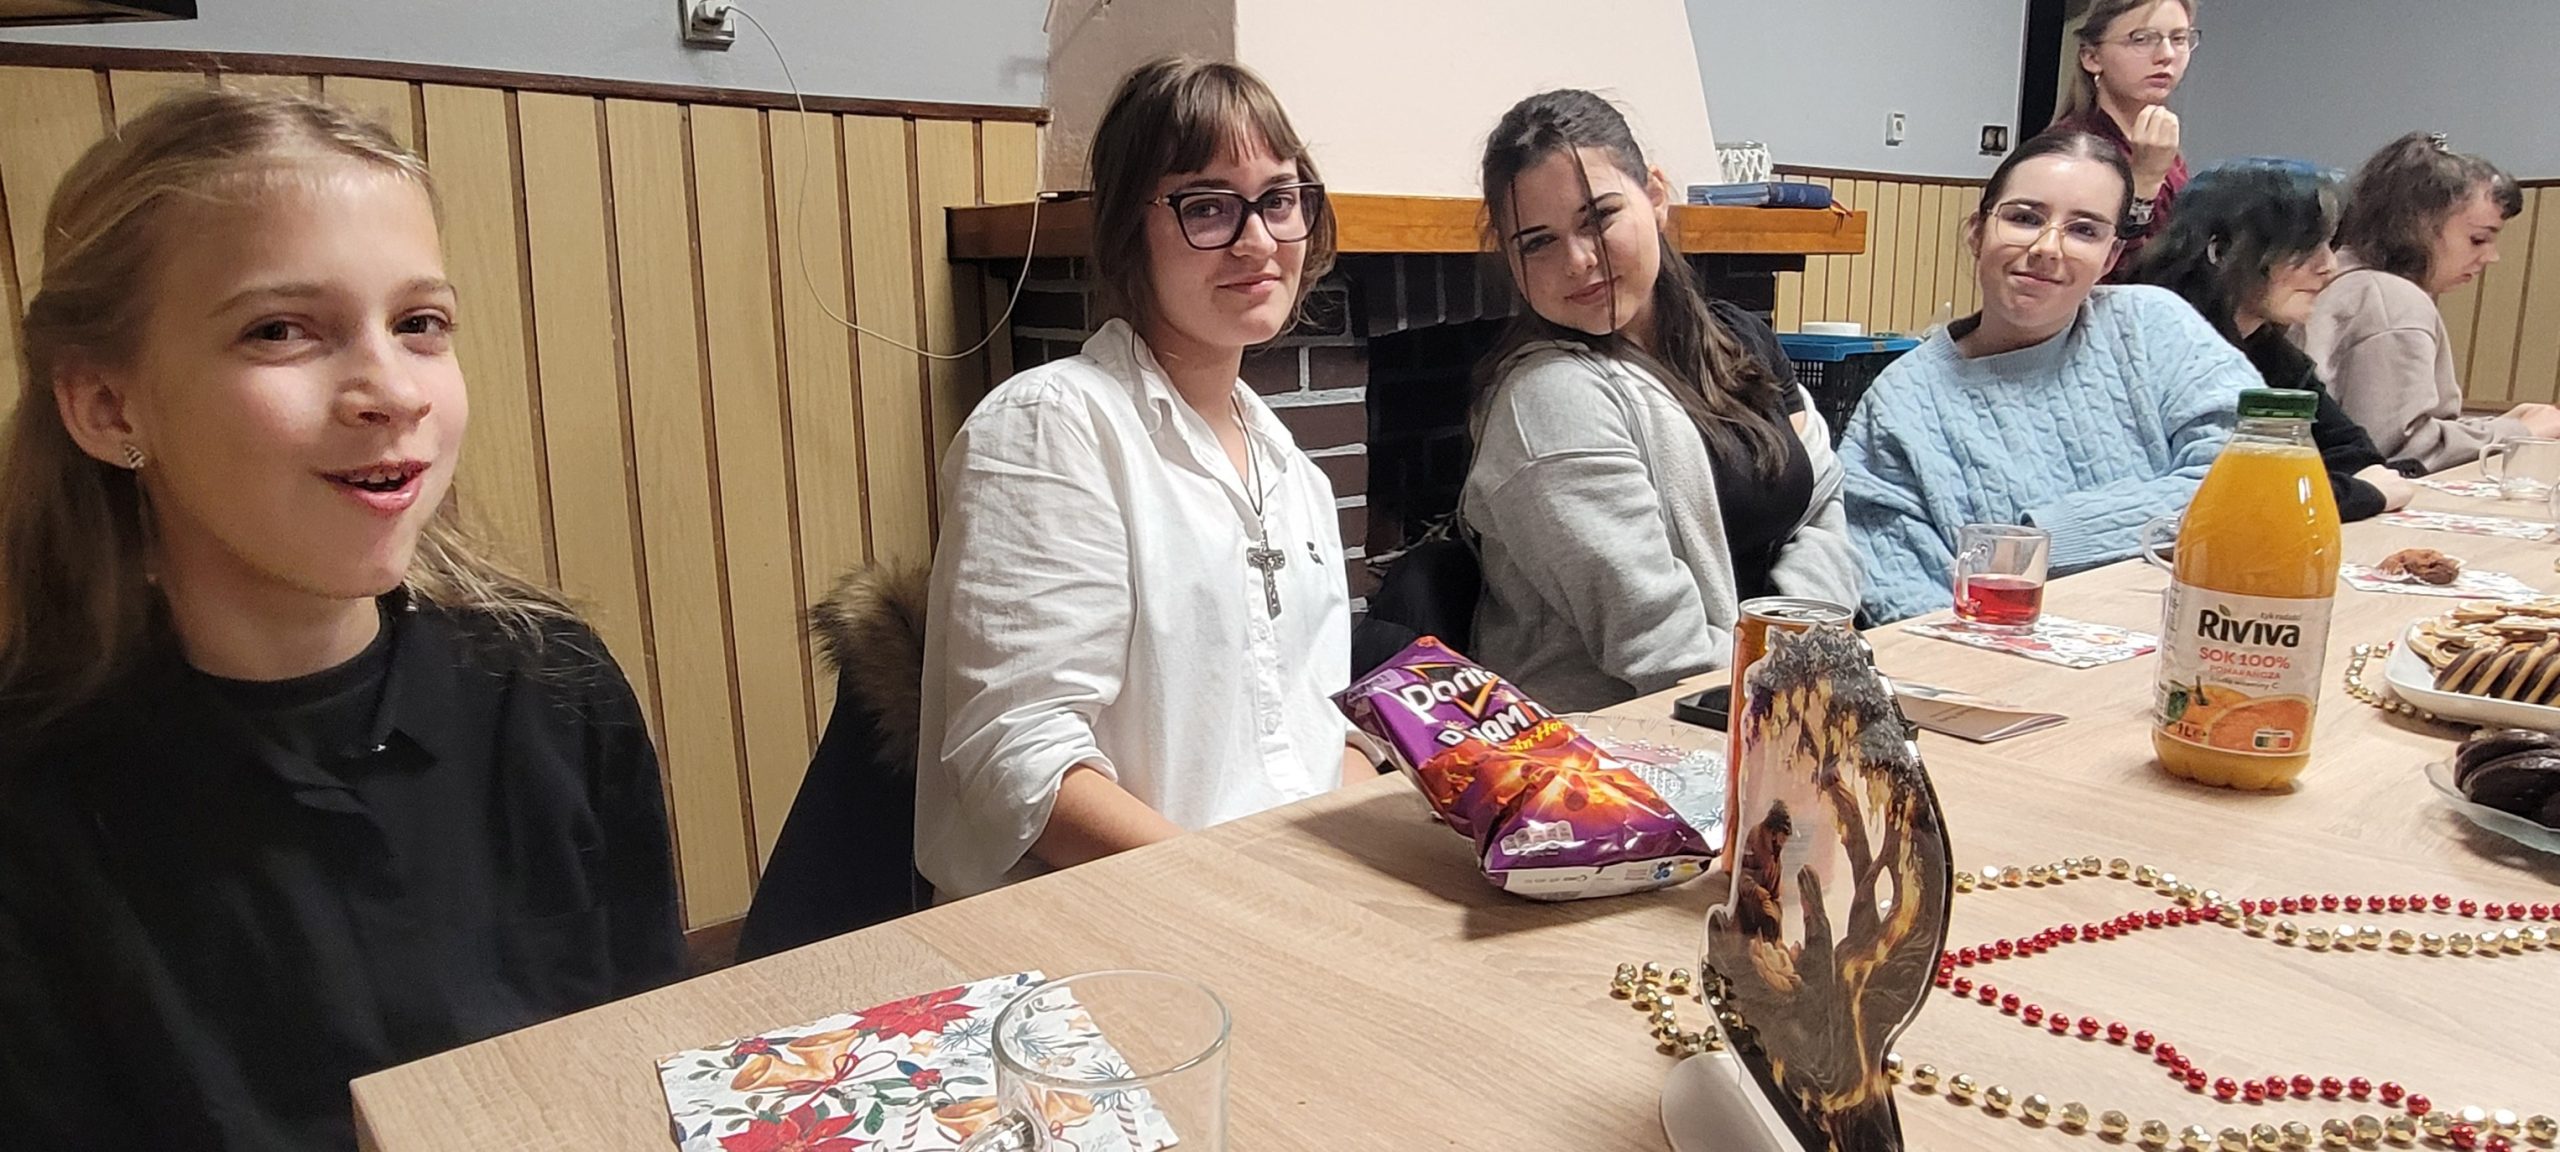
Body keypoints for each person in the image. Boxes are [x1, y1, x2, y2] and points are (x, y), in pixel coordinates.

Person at [0, 90, 683, 1150]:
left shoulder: (551, 686)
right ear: (107, 405)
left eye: (419, 325)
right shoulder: (36, 796)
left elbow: (645, 1052)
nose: (391, 391)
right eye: (280, 330)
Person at [914, 58, 1366, 899]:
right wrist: (1239, 895)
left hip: (1286, 898)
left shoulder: (1292, 469)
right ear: (1130, 227)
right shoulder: (1051, 426)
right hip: (1113, 920)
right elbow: (1021, 761)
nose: (1259, 241)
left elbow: (1321, 727)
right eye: (1207, 206)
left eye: (1278, 198)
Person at [1462, 89, 1858, 712]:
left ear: (1654, 195)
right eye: (1537, 242)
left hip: (1779, 700)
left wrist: (1802, 653)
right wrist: (1799, 682)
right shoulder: (1548, 401)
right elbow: (1665, 652)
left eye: (1598, 218)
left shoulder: (1737, 340)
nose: (1578, 260)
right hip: (1627, 741)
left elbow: (1822, 500)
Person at [1841, 130, 2259, 624]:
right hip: (1994, 660)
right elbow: (1906, 602)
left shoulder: (2154, 328)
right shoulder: (1902, 403)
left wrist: (2044, 540)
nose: (2047, 247)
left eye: (2084, 230)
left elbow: (2253, 483)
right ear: (1977, 232)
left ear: (2110, 258)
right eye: (2024, 218)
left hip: (2198, 634)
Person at [2129, 157, 2421, 521]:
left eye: (2329, 245)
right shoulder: (2158, 343)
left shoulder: (2266, 347)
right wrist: (2360, 494)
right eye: (2305, 247)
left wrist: (2352, 487)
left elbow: (2354, 457)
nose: (2328, 266)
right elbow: (2222, 497)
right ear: (2221, 250)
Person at [2305, 132, 2560, 472]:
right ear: (2417, 225)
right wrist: (2520, 432)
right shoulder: (2391, 298)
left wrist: (2495, 427)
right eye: (2478, 239)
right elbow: (2399, 451)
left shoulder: (2339, 275)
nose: (2492, 257)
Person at [2050, 0, 2200, 277]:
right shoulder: (2069, 152)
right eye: (2141, 39)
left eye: (2179, 39)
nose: (2166, 55)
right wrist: (2143, 183)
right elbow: (2089, 271)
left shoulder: (2161, 142)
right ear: (2092, 57)